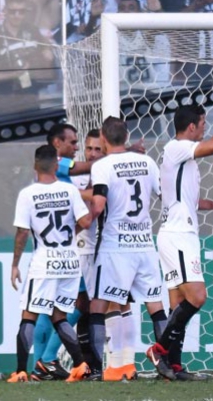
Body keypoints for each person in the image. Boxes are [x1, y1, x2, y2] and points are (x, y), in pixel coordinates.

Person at [152, 105, 213, 381]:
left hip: (179, 234)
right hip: (177, 236)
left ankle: (173, 367)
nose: (205, 127)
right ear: (191, 126)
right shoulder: (177, 148)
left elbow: (185, 200)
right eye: (203, 123)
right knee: (197, 297)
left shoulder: (184, 159)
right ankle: (159, 350)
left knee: (178, 304)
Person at [88, 116, 171, 380]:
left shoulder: (102, 166)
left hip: (115, 246)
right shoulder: (146, 162)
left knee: (102, 306)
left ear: (103, 137)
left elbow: (99, 205)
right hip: (145, 245)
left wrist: (84, 220)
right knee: (155, 306)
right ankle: (167, 363)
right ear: (126, 136)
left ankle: (105, 368)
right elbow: (165, 196)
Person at [8, 144, 92, 383]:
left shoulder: (28, 194)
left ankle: (21, 370)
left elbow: (22, 232)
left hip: (45, 261)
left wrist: (15, 264)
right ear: (57, 165)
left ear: (35, 166)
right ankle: (80, 365)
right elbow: (84, 221)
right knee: (59, 316)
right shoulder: (69, 190)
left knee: (29, 316)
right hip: (69, 261)